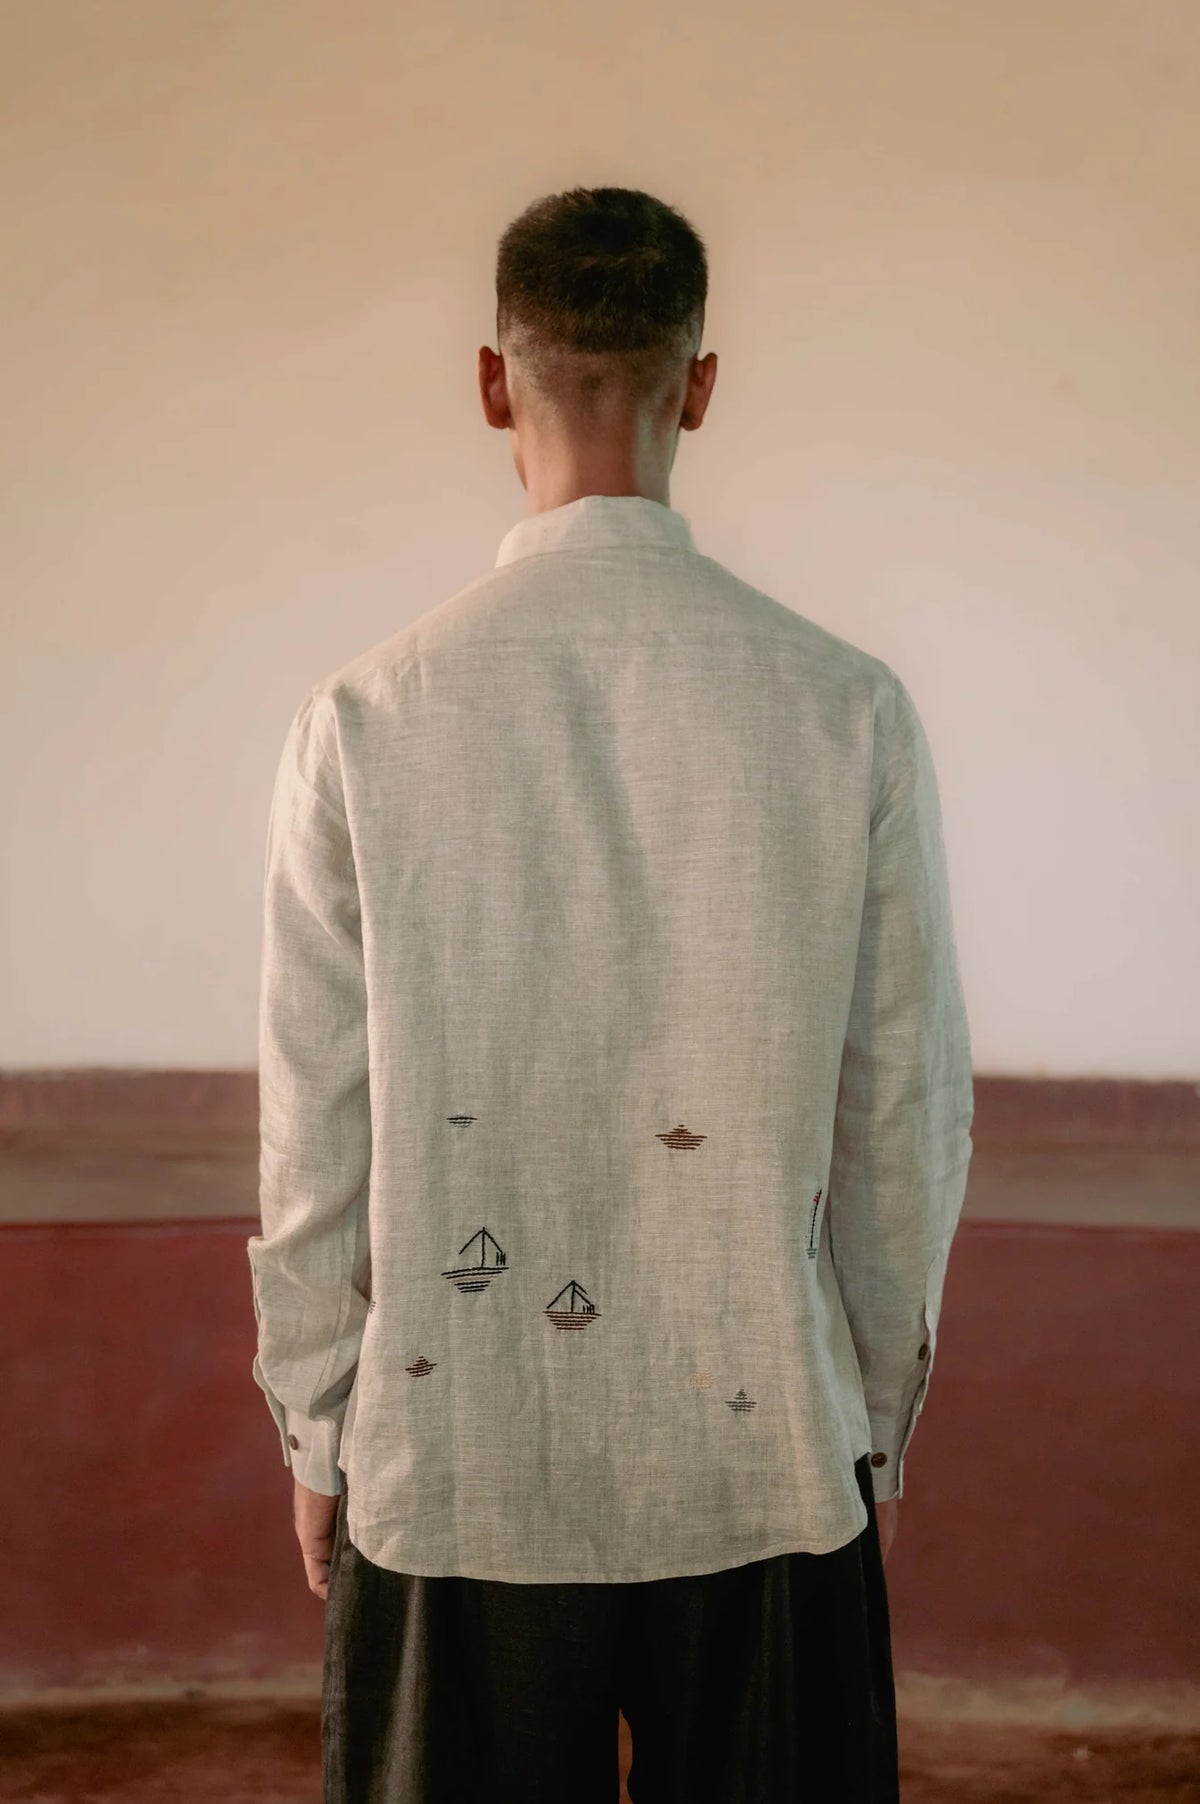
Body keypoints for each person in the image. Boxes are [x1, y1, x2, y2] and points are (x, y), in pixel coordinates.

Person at [248, 185, 974, 1803]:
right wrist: (870, 1424)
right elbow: (905, 1114)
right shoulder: (846, 708)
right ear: (698, 386)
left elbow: (315, 1129)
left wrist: (317, 1425)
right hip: (768, 1449)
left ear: (490, 383)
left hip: (457, 1455)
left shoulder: (362, 718)